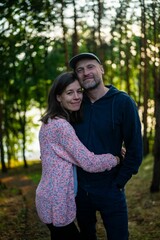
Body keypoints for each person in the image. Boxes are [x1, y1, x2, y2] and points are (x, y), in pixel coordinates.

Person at [35, 72, 121, 240]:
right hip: (56, 201)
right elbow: (89, 162)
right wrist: (117, 158)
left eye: (79, 91)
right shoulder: (61, 126)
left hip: (48, 197)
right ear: (58, 97)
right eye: (69, 92)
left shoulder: (49, 122)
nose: (77, 97)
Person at [69, 53, 143, 240]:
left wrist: (119, 183)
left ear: (101, 69)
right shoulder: (75, 103)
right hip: (80, 190)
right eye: (80, 70)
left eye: (90, 67)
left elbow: (135, 149)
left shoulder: (123, 102)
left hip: (111, 188)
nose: (86, 73)